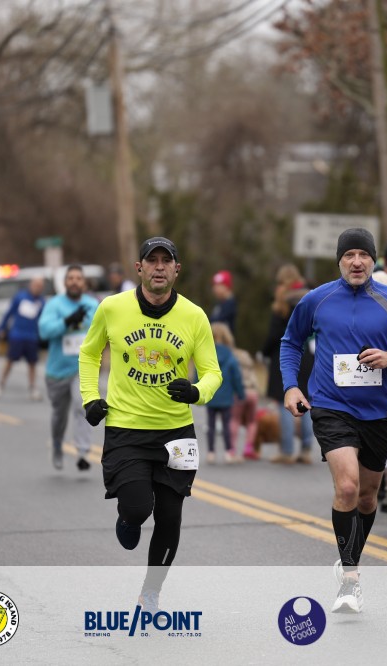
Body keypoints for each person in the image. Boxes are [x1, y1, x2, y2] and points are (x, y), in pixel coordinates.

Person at [281, 228, 387, 613]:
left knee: (367, 496)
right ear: (339, 260)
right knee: (347, 487)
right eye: (349, 255)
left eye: (363, 255)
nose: (356, 261)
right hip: (331, 406)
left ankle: (351, 561)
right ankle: (350, 579)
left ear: (373, 260)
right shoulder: (317, 299)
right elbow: (291, 342)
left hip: (379, 413)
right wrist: (291, 386)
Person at [79, 237, 222, 612]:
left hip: (177, 432)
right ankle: (128, 518)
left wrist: (196, 392)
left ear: (177, 269)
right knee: (138, 508)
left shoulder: (194, 316)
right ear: (139, 268)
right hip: (126, 429)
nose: (159, 267)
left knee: (171, 516)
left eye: (166, 261)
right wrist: (90, 397)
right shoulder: (112, 308)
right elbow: (89, 353)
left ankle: (151, 592)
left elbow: (213, 372)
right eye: (152, 260)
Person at [38, 265, 100, 471]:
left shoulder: (92, 305)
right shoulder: (54, 305)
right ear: (65, 282)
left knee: (82, 405)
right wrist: (66, 322)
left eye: (78, 278)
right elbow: (44, 331)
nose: (74, 281)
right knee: (59, 415)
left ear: (84, 283)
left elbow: (102, 332)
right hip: (57, 371)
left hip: (82, 369)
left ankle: (83, 452)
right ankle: (57, 445)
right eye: (70, 278)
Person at [261, 264, 314, 464]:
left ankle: (287, 450)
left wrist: (264, 352)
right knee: (305, 401)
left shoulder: (283, 301)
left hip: (285, 355)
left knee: (285, 400)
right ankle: (306, 449)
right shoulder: (310, 298)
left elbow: (274, 334)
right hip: (307, 356)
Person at [0, 276, 46, 401]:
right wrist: (2, 328)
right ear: (31, 285)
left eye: (40, 286)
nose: (37, 288)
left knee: (32, 363)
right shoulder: (20, 297)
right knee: (9, 361)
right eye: (36, 285)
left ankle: (32, 388)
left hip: (32, 337)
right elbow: (9, 313)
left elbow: (43, 321)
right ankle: (0, 385)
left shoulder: (42, 302)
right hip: (17, 335)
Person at [204, 322, 245, 464]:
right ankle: (228, 452)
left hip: (211, 395)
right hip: (226, 397)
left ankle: (211, 452)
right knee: (226, 425)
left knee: (210, 425)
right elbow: (236, 377)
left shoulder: (206, 353)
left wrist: (196, 390)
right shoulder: (230, 355)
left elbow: (199, 371)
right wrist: (240, 393)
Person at [230, 338, 261, 460]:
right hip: (252, 392)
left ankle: (232, 449)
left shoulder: (233, 357)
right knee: (252, 421)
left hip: (240, 392)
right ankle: (248, 448)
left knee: (235, 419)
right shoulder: (248, 359)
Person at [210, 270, 237, 335]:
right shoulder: (220, 303)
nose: (215, 289)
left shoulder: (230, 304)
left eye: (219, 285)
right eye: (214, 285)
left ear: (226, 287)